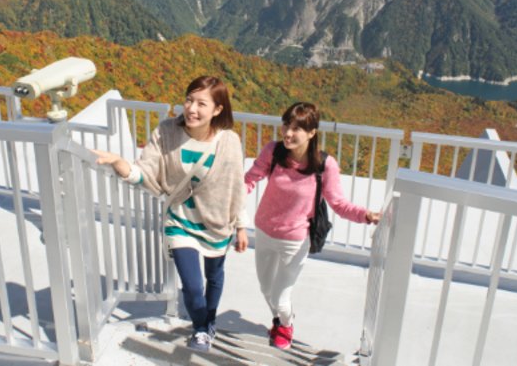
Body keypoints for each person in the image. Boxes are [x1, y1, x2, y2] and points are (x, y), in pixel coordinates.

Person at [93, 75, 248, 352]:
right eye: (189, 100)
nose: (191, 108)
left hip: (216, 223)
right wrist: (121, 163)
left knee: (214, 276)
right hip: (180, 221)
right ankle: (201, 329)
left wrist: (241, 226)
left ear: (217, 110)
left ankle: (208, 321)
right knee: (192, 285)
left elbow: (237, 187)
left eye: (202, 103)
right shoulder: (167, 132)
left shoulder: (230, 142)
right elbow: (147, 170)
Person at [244, 102, 380, 350]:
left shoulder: (324, 165)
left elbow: (338, 203)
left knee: (280, 298)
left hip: (294, 241)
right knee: (266, 289)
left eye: (297, 128)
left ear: (312, 132)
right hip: (264, 231)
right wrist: (227, 197)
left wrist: (366, 215)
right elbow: (250, 179)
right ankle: (279, 320)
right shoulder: (273, 152)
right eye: (286, 125)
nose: (288, 133)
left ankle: (285, 324)